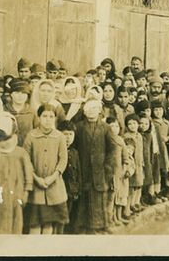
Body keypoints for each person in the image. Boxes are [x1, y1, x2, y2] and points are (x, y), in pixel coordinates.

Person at [0, 115, 32, 234]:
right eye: (0, 141)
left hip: (15, 195)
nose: (4, 144)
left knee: (15, 224)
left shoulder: (20, 153)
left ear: (13, 136)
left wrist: (26, 191)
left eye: (6, 139)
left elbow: (28, 173)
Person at [23, 104, 69, 235]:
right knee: (35, 226)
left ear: (55, 118)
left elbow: (63, 160)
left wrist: (52, 177)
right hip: (35, 188)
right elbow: (27, 160)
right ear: (38, 117)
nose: (48, 119)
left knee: (49, 226)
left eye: (51, 116)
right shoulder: (31, 136)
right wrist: (36, 178)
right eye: (44, 116)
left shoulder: (59, 137)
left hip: (54, 187)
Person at [74, 100, 118, 234]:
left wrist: (108, 167)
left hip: (100, 170)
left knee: (99, 198)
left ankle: (101, 224)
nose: (91, 111)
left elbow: (112, 149)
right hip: (84, 168)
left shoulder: (105, 128)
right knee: (84, 198)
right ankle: (84, 226)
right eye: (88, 108)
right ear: (84, 111)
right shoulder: (79, 127)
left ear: (99, 110)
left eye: (94, 108)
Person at [58, 120, 82, 233]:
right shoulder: (57, 151)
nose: (68, 138)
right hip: (60, 191)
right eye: (65, 134)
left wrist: (77, 189)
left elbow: (78, 173)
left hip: (72, 191)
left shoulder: (75, 152)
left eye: (70, 134)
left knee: (70, 215)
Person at [123, 114, 143, 215]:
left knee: (137, 185)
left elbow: (141, 151)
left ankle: (135, 203)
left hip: (139, 164)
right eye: (129, 124)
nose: (132, 126)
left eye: (134, 123)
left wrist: (142, 162)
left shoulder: (139, 136)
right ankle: (128, 206)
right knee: (130, 187)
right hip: (131, 165)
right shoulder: (126, 137)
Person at [3, 79, 34, 143]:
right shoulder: (4, 110)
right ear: (11, 94)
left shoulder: (32, 111)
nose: (20, 96)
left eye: (23, 93)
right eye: (16, 93)